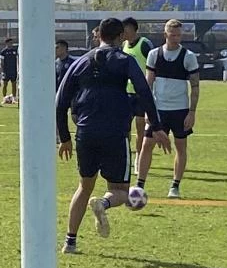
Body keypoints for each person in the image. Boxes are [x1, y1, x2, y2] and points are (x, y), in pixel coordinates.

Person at [56, 17, 170, 254]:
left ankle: (70, 242)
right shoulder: (124, 60)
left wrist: (64, 137)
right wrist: (157, 126)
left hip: (85, 131)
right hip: (115, 132)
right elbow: (144, 91)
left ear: (99, 36)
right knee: (119, 190)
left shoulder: (80, 63)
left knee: (84, 186)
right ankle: (103, 204)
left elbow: (60, 101)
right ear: (120, 37)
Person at [135, 20, 200, 199]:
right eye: (172, 35)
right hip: (158, 110)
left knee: (180, 146)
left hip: (180, 110)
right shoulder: (154, 55)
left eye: (179, 35)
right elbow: (148, 85)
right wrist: (148, 111)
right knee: (147, 144)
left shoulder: (188, 56)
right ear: (165, 35)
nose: (176, 38)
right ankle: (139, 185)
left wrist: (192, 112)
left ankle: (175, 186)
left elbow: (195, 87)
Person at [121, 18, 154, 169]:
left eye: (126, 29)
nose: (123, 32)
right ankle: (125, 155)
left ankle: (138, 158)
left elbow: (153, 65)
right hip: (126, 93)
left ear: (133, 29)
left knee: (140, 128)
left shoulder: (144, 44)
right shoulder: (124, 45)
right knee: (124, 128)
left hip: (141, 93)